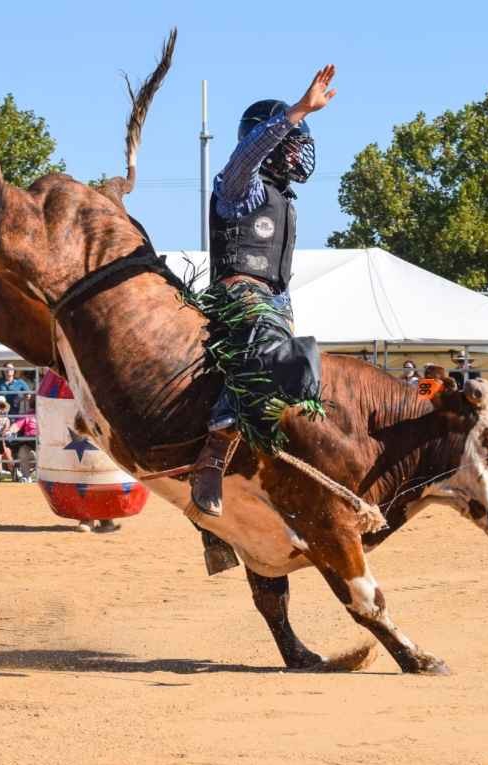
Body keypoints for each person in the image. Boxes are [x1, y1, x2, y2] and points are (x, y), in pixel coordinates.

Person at [189, 64, 336, 523]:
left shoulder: (283, 198)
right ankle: (215, 448)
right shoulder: (241, 187)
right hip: (240, 296)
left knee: (303, 380)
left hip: (276, 303)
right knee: (277, 352)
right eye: (292, 147)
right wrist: (296, 111)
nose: (298, 157)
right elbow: (247, 154)